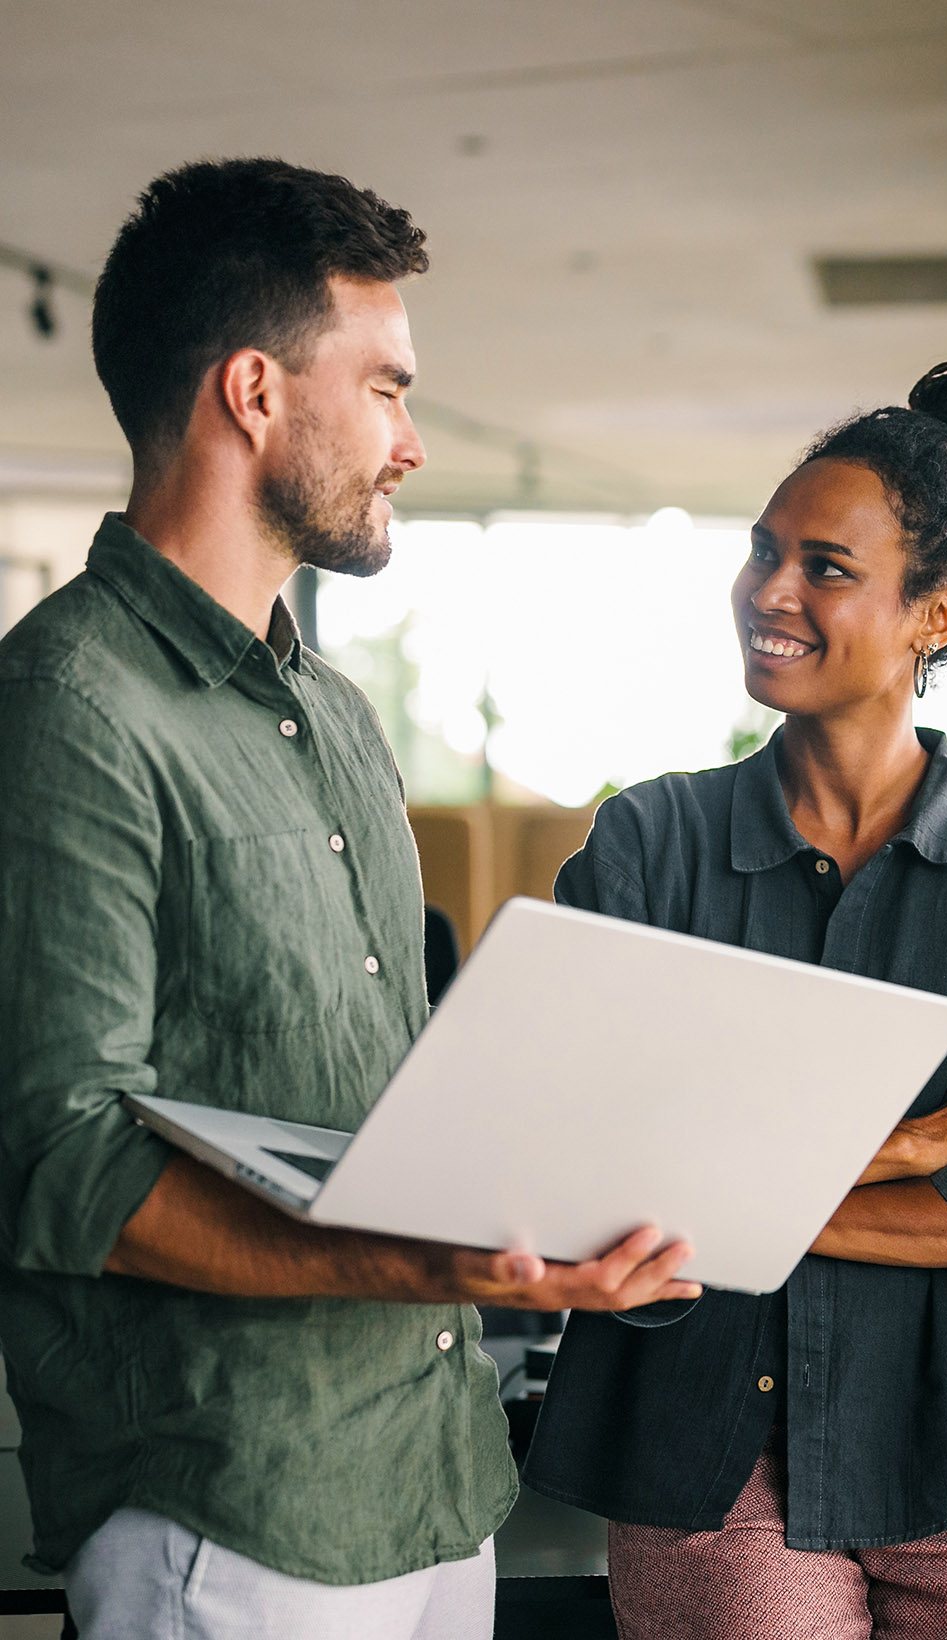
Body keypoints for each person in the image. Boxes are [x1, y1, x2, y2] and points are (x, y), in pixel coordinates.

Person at [0, 157, 700, 1640]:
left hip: (434, 1489)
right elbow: (54, 1160)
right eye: (384, 388)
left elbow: (382, 1092)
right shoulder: (66, 704)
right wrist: (423, 1259)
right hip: (235, 1510)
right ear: (255, 391)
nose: (412, 443)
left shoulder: (335, 714)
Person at [522, 352, 947, 1640]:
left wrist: (726, 1192)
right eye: (762, 550)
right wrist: (914, 1153)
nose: (769, 590)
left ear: (938, 615)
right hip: (712, 1470)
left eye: (826, 566)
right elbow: (574, 1158)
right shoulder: (650, 847)